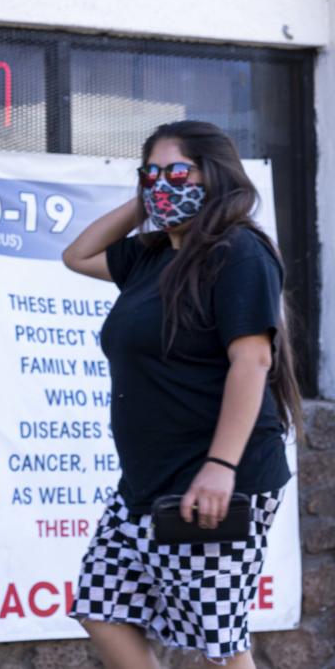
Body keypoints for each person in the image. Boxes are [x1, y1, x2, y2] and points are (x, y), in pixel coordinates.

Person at [61, 120, 301, 668]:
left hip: (212, 481)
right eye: (151, 173)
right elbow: (77, 255)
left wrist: (220, 465)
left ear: (214, 177)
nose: (163, 184)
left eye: (178, 172)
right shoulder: (148, 257)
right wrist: (143, 203)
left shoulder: (237, 251)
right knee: (101, 606)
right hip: (146, 482)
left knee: (218, 642)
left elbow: (253, 360)